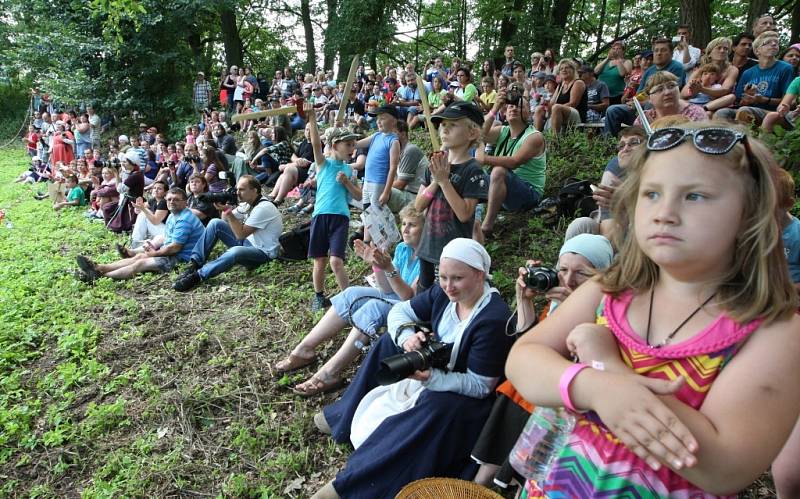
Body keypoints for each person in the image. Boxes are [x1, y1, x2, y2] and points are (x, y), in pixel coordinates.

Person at [505, 122, 800, 497]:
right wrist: (595, 387)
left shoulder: (774, 332)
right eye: (652, 194)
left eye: (695, 196)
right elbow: (522, 360)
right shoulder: (609, 289)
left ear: (750, 213)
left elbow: (723, 467)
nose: (665, 213)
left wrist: (609, 366)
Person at [310, 238, 514, 499]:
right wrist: (407, 335)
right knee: (387, 343)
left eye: (458, 279)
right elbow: (400, 312)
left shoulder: (492, 319)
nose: (449, 286)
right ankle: (343, 416)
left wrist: (432, 379)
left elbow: (480, 386)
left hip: (465, 400)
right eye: (444, 277)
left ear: (480, 275)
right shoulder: (443, 293)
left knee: (436, 406)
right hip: (437, 373)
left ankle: (357, 482)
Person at [471, 233, 614, 488]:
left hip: (555, 402)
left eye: (582, 273)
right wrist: (523, 299)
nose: (569, 280)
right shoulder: (556, 303)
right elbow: (526, 340)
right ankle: (480, 485)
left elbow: (579, 361)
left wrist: (574, 310)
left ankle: (501, 481)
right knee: (484, 472)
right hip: (524, 393)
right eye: (563, 270)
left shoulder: (605, 311)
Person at [275, 204, 424, 396]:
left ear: (426, 229)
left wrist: (387, 268)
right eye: (403, 223)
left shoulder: (429, 257)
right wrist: (376, 265)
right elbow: (386, 289)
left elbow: (407, 297)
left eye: (412, 225)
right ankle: (304, 350)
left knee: (373, 307)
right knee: (350, 293)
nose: (405, 228)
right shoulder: (404, 248)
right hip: (394, 297)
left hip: (408, 309)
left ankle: (330, 372)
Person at [414, 101, 488, 291]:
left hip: (452, 254)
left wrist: (445, 182)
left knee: (444, 299)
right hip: (427, 247)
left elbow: (465, 214)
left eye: (453, 125)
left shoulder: (473, 171)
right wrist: (436, 180)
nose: (444, 129)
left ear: (472, 133)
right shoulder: (436, 163)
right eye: (443, 125)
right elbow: (419, 205)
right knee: (423, 294)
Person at [173, 176, 282, 291]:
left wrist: (228, 211)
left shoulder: (263, 208)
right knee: (215, 223)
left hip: (263, 253)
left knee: (235, 251)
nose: (238, 193)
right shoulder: (248, 203)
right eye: (237, 189)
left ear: (254, 190)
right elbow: (224, 220)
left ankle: (198, 276)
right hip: (249, 243)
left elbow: (240, 234)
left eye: (242, 189)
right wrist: (223, 202)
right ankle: (194, 264)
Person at [76, 188, 205, 282]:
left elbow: (174, 248)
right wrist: (154, 249)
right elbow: (168, 240)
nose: (172, 202)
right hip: (173, 253)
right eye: (169, 199)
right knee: (137, 257)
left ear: (185, 202)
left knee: (139, 264)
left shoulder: (185, 220)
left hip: (182, 258)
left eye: (176, 200)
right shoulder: (173, 215)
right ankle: (99, 267)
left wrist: (154, 253)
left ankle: (100, 276)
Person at [305, 104, 362, 311]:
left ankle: (350, 299)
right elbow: (315, 144)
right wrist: (312, 116)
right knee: (319, 260)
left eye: (353, 144)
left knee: (336, 262)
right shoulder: (324, 164)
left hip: (340, 218)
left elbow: (359, 195)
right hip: (320, 216)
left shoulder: (349, 170)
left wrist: (347, 182)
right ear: (336, 145)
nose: (352, 148)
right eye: (348, 144)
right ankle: (319, 296)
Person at [478, 86, 546, 236]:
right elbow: (478, 135)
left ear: (529, 113)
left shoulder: (534, 136)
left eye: (520, 106)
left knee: (499, 170)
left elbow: (514, 162)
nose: (514, 109)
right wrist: (495, 108)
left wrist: (484, 159)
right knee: (467, 170)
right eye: (510, 106)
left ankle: (486, 227)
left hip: (528, 193)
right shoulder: (503, 131)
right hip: (502, 187)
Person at [604, 38, 686, 136]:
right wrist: (635, 102)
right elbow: (640, 93)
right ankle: (610, 144)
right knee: (613, 110)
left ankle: (650, 141)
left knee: (649, 106)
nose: (659, 53)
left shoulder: (677, 67)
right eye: (656, 50)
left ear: (671, 53)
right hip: (641, 108)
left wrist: (644, 102)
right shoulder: (649, 71)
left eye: (663, 50)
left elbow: (672, 93)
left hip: (664, 108)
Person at [714, 31, 794, 125]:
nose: (773, 44)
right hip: (749, 109)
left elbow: (789, 102)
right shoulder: (748, 73)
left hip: (772, 112)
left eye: (776, 42)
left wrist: (763, 100)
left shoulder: (785, 68)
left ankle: (743, 139)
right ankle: (724, 139)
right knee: (722, 113)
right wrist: (747, 97)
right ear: (757, 51)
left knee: (744, 111)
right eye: (768, 42)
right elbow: (739, 101)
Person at [356, 105, 400, 209]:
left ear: (393, 121)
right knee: (367, 210)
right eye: (377, 119)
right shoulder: (376, 136)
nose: (378, 121)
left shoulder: (393, 141)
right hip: (367, 180)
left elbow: (393, 168)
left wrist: (386, 192)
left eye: (383, 118)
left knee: (376, 214)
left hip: (378, 183)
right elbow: (356, 144)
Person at [634, 72, 707, 126]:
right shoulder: (643, 119)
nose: (667, 92)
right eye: (659, 89)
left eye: (671, 86)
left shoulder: (695, 114)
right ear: (649, 98)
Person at [535, 59, 587, 134]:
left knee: (556, 107)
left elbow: (573, 103)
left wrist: (554, 109)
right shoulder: (561, 85)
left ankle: (555, 140)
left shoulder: (578, 82)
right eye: (561, 69)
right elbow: (552, 103)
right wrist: (546, 104)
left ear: (573, 70)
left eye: (567, 67)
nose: (564, 70)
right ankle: (537, 137)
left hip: (577, 115)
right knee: (539, 109)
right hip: (559, 112)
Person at [128, 180, 169, 249]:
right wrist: (138, 208)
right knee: (142, 214)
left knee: (144, 214)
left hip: (165, 232)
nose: (156, 190)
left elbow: (156, 221)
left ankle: (136, 241)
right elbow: (141, 208)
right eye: (154, 188)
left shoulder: (164, 202)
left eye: (159, 189)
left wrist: (143, 209)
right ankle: (136, 241)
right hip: (158, 229)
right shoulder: (154, 200)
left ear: (165, 192)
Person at [595, 39, 632, 104]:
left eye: (618, 48)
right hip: (600, 95)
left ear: (623, 51)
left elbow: (623, 74)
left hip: (616, 96)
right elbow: (596, 71)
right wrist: (607, 58)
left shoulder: (627, 62)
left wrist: (618, 59)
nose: (616, 50)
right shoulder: (606, 61)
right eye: (614, 48)